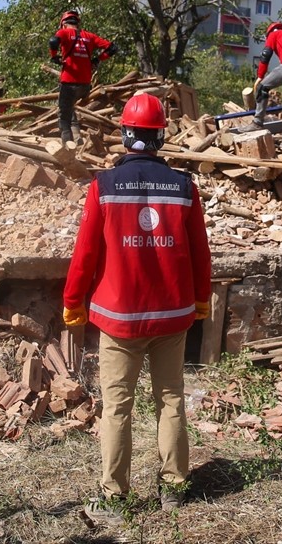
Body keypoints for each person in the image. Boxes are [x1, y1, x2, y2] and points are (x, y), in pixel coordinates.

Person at [62, 92, 212, 526]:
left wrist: (73, 303)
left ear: (125, 135)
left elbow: (85, 254)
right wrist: (200, 300)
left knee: (117, 408)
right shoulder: (184, 187)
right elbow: (200, 254)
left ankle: (114, 497)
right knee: (171, 401)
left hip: (119, 320)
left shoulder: (104, 186)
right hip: (172, 316)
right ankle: (174, 487)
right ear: (161, 136)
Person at [47, 10, 116, 143]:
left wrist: (54, 56)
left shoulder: (64, 32)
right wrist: (97, 59)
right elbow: (112, 48)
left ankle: (67, 144)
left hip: (69, 83)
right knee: (71, 110)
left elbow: (53, 41)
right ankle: (77, 138)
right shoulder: (89, 36)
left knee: (63, 115)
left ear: (63, 24)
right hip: (85, 85)